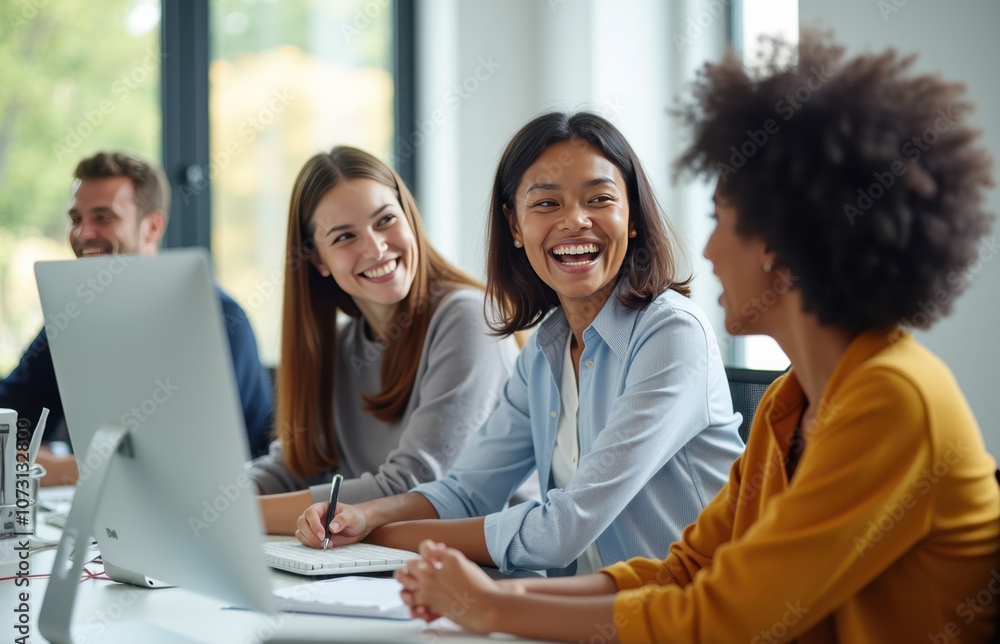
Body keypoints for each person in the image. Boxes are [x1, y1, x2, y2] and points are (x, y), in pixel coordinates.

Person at [392, 33, 1000, 644]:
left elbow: (726, 616)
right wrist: (495, 603)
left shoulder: (891, 399)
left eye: (718, 221)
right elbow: (683, 571)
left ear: (776, 243)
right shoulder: (787, 405)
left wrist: (494, 608)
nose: (705, 252)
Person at [296, 113, 745, 576]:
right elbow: (465, 491)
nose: (575, 220)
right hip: (579, 618)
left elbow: (560, 532)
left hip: (680, 632)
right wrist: (365, 516)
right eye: (547, 203)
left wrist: (382, 535)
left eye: (600, 199)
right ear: (514, 225)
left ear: (632, 216)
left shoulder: (671, 333)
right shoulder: (545, 347)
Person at [248, 146, 519, 535]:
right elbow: (292, 466)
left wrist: (230, 520)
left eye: (386, 220)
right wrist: (213, 499)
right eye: (344, 237)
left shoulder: (470, 317)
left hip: (489, 574)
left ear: (409, 217)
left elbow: (413, 486)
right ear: (318, 260)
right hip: (384, 570)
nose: (375, 248)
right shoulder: (344, 347)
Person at [0, 151, 273, 485]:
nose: (83, 234)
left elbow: (207, 463)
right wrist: (59, 465)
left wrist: (65, 467)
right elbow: (9, 419)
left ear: (153, 226)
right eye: (75, 218)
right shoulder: (73, 317)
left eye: (103, 217)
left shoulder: (217, 318)